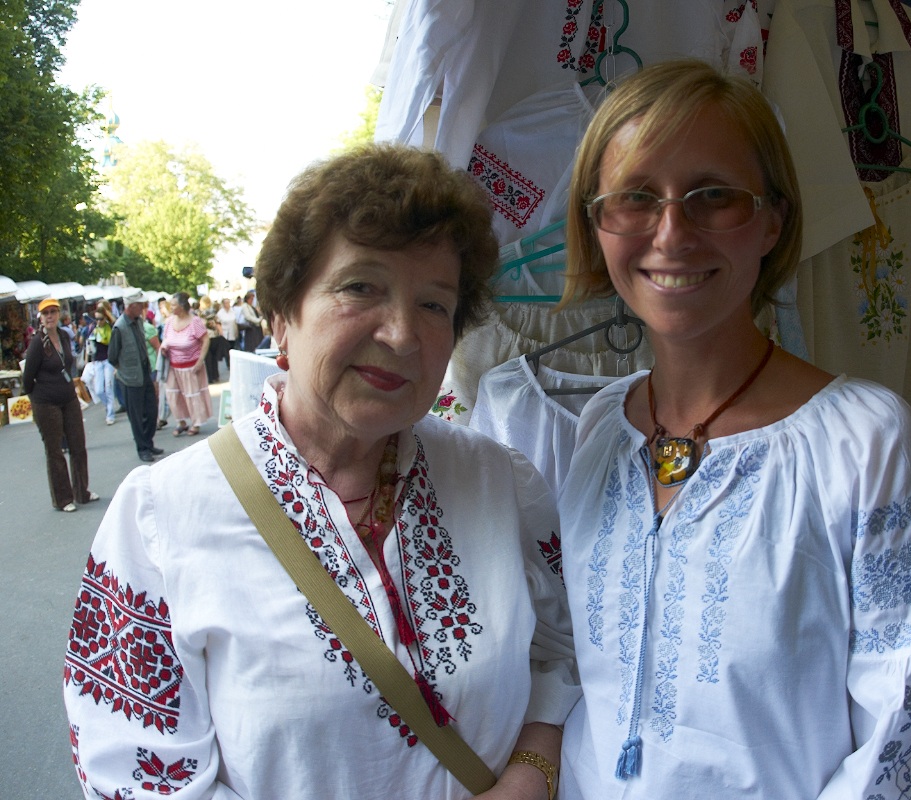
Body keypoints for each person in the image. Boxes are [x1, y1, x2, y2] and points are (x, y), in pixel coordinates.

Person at [63, 142, 578, 799]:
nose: (401, 334)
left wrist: (530, 775)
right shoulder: (162, 518)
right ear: (282, 316)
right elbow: (134, 776)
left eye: (434, 305)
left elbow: (561, 655)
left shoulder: (498, 483)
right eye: (361, 287)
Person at [555, 60, 911, 799]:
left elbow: (903, 726)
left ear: (773, 219)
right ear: (596, 224)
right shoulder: (599, 430)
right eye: (635, 197)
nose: (671, 233)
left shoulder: (865, 443)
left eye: (713, 196)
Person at [21, 297, 98, 512]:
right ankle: (63, 499)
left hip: (68, 397)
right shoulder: (38, 343)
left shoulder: (64, 335)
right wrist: (37, 397)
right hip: (46, 402)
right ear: (40, 318)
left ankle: (82, 492)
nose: (50, 317)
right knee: (55, 451)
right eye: (46, 314)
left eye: (53, 312)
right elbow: (27, 378)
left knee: (78, 445)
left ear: (58, 314)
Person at [108, 292, 164, 463]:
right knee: (137, 416)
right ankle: (143, 448)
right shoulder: (119, 327)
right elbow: (112, 356)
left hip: (144, 373)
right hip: (130, 378)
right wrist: (124, 370)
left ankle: (148, 442)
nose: (143, 308)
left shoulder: (138, 321)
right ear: (131, 306)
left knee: (151, 411)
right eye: (140, 305)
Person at [160, 291, 212, 436]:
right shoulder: (169, 321)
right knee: (174, 395)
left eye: (173, 305)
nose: (171, 307)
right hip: (173, 366)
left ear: (182, 307)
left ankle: (196, 423)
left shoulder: (195, 321)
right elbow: (166, 338)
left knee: (192, 395)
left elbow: (205, 339)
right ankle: (181, 422)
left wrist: (200, 360)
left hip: (191, 366)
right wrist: (164, 347)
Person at [89, 299, 119, 425]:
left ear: (105, 318)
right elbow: (90, 346)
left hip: (108, 360)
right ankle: (108, 407)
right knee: (99, 390)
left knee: (109, 387)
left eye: (101, 319)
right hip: (97, 361)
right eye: (96, 319)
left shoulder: (110, 328)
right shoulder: (93, 329)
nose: (98, 321)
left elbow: (116, 325)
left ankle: (110, 414)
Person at [215, 296, 239, 370]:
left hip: (233, 332)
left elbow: (235, 321)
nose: (228, 304)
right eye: (226, 303)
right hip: (225, 333)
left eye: (228, 302)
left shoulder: (232, 311)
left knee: (233, 348)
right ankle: (229, 364)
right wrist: (221, 332)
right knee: (227, 349)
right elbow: (218, 323)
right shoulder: (220, 313)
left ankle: (233, 363)